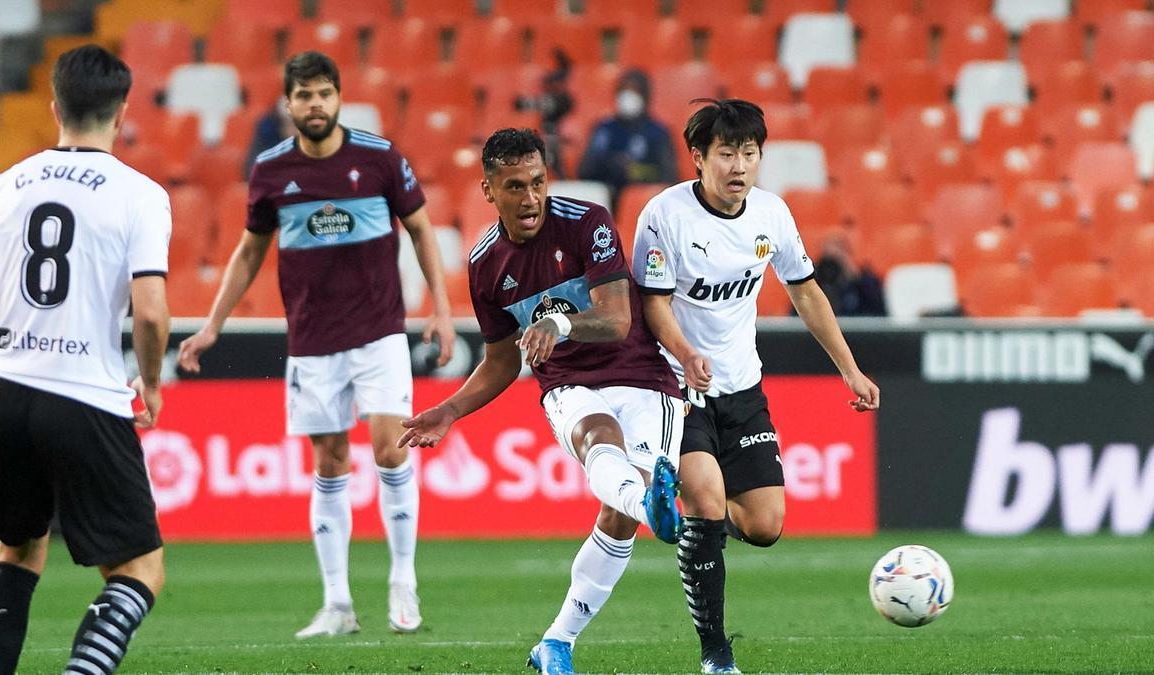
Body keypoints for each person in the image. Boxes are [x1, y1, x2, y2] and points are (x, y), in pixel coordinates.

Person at [177, 51, 455, 638]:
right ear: (288, 104)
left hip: (380, 332)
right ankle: (337, 604)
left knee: (390, 450)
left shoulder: (379, 159)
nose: (315, 105)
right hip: (311, 342)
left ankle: (403, 583)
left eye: (324, 94)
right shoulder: (271, 170)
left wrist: (441, 310)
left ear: (338, 97)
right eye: (304, 96)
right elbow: (250, 249)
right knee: (328, 464)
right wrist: (212, 324)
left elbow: (423, 229)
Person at [399, 128, 684, 675]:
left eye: (537, 182)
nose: (530, 198)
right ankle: (650, 504)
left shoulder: (588, 222)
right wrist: (450, 410)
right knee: (600, 442)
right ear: (488, 190)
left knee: (617, 513)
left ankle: (556, 642)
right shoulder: (486, 266)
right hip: (569, 386)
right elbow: (504, 361)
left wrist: (557, 320)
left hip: (642, 377)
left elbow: (618, 320)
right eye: (514, 187)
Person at [630, 99, 881, 674]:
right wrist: (688, 354)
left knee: (765, 526)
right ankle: (716, 653)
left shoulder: (771, 214)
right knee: (709, 500)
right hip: (674, 388)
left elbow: (806, 293)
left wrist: (849, 368)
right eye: (726, 153)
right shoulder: (664, 215)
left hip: (742, 389)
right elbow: (652, 303)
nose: (739, 165)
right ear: (699, 158)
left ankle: (696, 523)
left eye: (749, 152)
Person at [0, 45, 170, 675]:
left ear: (55, 107)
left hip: (5, 387)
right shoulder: (139, 194)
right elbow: (151, 312)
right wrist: (151, 384)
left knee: (17, 551)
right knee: (139, 570)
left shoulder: (6, 183)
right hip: (83, 392)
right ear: (122, 111)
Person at [577, 68, 678, 204]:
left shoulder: (658, 133)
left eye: (634, 91)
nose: (628, 96)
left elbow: (668, 176)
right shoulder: (604, 129)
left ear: (645, 96)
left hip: (642, 202)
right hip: (605, 200)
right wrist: (610, 164)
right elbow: (584, 171)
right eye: (623, 90)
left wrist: (633, 171)